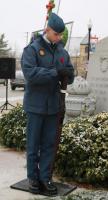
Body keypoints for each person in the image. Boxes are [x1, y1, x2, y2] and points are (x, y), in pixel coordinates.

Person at [21, 12, 74, 196]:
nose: (59, 38)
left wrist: (68, 73)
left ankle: (45, 178)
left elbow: (69, 74)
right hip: (36, 106)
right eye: (56, 34)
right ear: (47, 30)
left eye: (61, 34)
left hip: (53, 106)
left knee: (49, 144)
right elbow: (30, 74)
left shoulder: (62, 51)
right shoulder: (33, 49)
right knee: (33, 143)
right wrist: (54, 72)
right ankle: (33, 178)